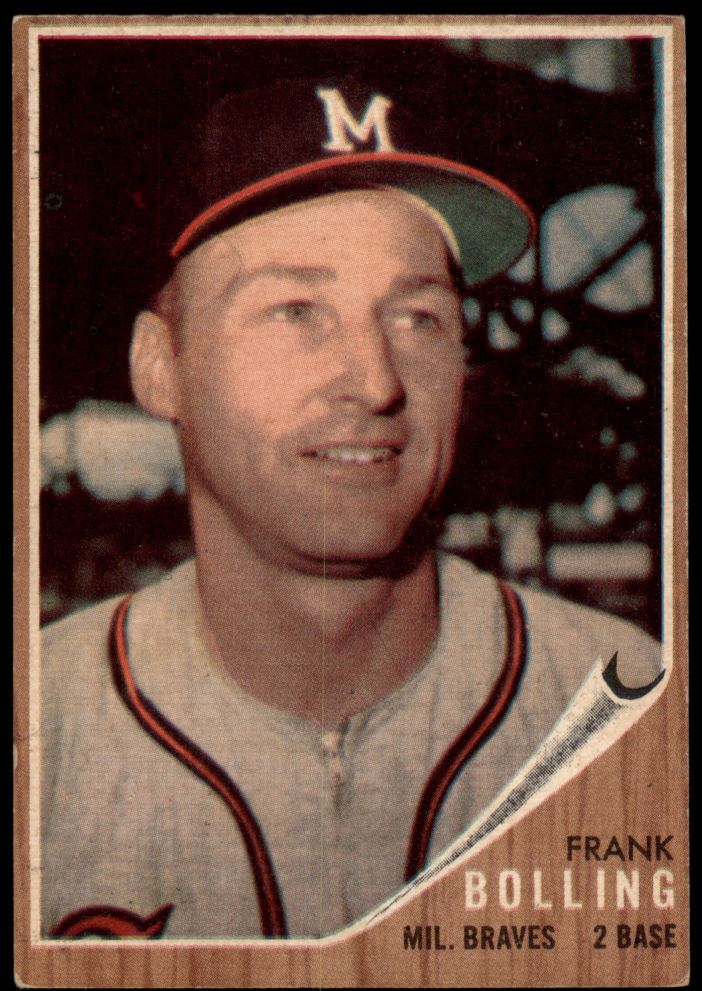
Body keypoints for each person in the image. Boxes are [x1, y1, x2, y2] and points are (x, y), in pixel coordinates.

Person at [41, 77, 660, 940]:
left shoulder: (631, 707)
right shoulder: (41, 730)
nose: (376, 383)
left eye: (418, 317)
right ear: (160, 367)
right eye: (296, 310)